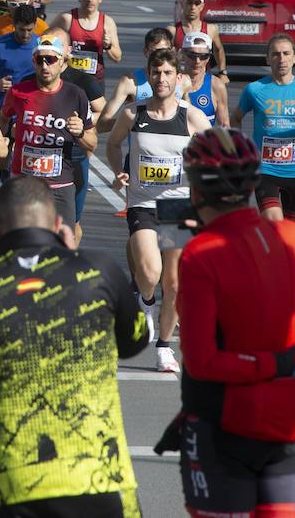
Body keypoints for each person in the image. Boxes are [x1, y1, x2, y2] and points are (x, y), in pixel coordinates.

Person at [0, 175, 149, 517]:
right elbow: (135, 340)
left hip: (16, 485)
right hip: (101, 479)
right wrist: (71, 261)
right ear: (56, 224)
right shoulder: (98, 270)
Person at [157, 128, 295, 518]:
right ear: (253, 184)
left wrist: (272, 363)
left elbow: (201, 362)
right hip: (290, 417)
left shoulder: (202, 253)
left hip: (229, 421)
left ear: (196, 192)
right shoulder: (293, 237)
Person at [105, 48, 212, 373]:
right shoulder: (132, 114)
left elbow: (216, 154)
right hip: (142, 203)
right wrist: (118, 172)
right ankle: (145, 301)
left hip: (178, 206)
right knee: (150, 274)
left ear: (178, 78)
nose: (162, 79)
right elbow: (112, 144)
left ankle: (164, 347)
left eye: (168, 73)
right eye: (156, 73)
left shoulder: (191, 117)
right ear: (149, 77)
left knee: (175, 283)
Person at [0, 40, 96, 222]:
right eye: (39, 60)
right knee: (24, 241)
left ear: (62, 63)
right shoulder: (18, 92)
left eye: (50, 60)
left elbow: (92, 143)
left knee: (63, 243)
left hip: (61, 184)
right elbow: (2, 118)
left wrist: (80, 133)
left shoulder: (76, 95)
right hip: (23, 182)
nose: (44, 65)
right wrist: (2, 146)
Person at [231, 35, 295, 224]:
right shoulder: (254, 90)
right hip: (265, 171)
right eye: (276, 54)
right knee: (275, 225)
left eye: (286, 53)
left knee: (293, 234)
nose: (281, 59)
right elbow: (235, 119)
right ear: (268, 59)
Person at [49, 0, 121, 86]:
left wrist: (108, 46)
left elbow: (117, 57)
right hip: (68, 78)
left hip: (94, 80)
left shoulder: (107, 22)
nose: (89, 1)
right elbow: (45, 40)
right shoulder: (67, 18)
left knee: (99, 103)